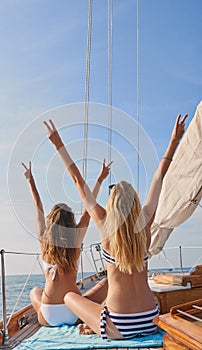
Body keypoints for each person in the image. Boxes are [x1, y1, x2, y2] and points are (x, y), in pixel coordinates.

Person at [44, 113, 188, 339]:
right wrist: (173, 142)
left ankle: (94, 324)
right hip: (150, 319)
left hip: (119, 325)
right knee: (103, 295)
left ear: (112, 206)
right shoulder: (145, 228)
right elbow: (160, 177)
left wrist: (58, 143)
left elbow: (78, 181)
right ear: (135, 204)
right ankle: (93, 323)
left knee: (69, 298)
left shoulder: (105, 226)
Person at [22, 158, 112, 327]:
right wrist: (99, 179)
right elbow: (88, 209)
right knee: (107, 283)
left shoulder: (44, 241)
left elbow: (38, 205)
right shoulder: (75, 240)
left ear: (51, 221)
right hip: (74, 313)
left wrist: (30, 179)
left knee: (35, 291)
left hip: (48, 317)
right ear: (71, 223)